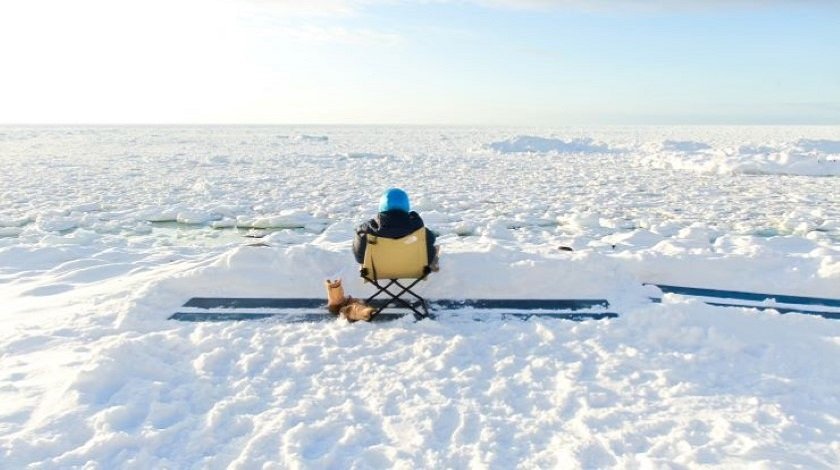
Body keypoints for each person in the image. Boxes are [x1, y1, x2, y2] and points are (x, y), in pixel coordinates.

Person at [353, 188, 438, 270]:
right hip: (412, 269)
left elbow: (359, 257)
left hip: (378, 271)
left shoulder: (369, 229)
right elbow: (431, 241)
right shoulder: (417, 226)